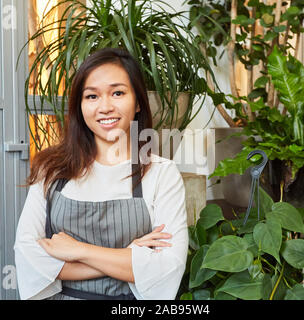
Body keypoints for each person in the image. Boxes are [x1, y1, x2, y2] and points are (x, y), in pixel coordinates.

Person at [14, 48, 189, 300]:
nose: (105, 107)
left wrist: (77, 250)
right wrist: (127, 257)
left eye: (118, 93)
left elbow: (167, 267)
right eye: (92, 96)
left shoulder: (162, 174)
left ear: (138, 102)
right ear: (80, 105)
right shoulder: (50, 169)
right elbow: (28, 254)